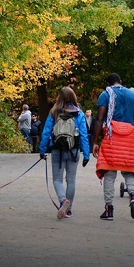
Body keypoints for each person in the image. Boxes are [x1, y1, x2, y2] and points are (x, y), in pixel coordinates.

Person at [92, 73, 134, 220]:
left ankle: (109, 209)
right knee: (129, 171)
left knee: (109, 174)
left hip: (111, 136)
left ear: (108, 83)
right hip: (128, 137)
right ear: (120, 81)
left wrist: (95, 142)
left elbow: (99, 118)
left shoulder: (106, 94)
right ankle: (133, 196)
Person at [39, 87, 90, 219]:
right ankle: (69, 209)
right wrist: (86, 153)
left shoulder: (54, 112)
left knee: (57, 179)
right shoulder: (79, 113)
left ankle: (62, 201)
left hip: (57, 149)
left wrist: (42, 149)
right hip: (74, 150)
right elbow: (84, 134)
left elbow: (46, 132)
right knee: (71, 180)